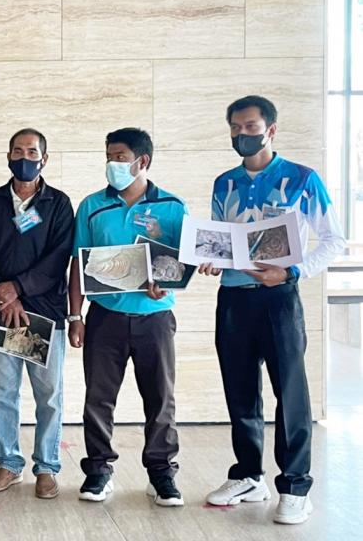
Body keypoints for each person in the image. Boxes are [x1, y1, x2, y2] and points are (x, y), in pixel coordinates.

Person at [200, 95, 346, 524]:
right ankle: (249, 476)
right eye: (235, 128)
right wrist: (211, 258)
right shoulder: (224, 183)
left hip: (280, 298)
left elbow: (333, 240)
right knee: (240, 391)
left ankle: (295, 486)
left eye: (250, 127)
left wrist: (293, 272)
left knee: (291, 393)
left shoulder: (302, 179)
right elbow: (222, 239)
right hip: (233, 298)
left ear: (271, 130)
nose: (242, 134)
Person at [67, 127, 187, 507]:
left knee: (160, 398)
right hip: (106, 317)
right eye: (108, 157)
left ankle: (162, 473)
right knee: (98, 398)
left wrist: (166, 283)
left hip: (155, 317)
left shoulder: (173, 206)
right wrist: (75, 316)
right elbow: (78, 264)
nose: (112, 164)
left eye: (119, 157)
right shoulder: (92, 206)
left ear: (142, 161)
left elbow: (182, 262)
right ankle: (98, 471)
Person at [0, 128, 74, 499]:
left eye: (32, 152)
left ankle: (46, 467)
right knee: (1, 394)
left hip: (43, 314)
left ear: (44, 159)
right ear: (8, 156)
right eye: (18, 151)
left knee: (48, 396)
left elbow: (59, 258)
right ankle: (8, 464)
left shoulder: (58, 204)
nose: (24, 158)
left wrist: (18, 289)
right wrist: (5, 294)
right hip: (0, 313)